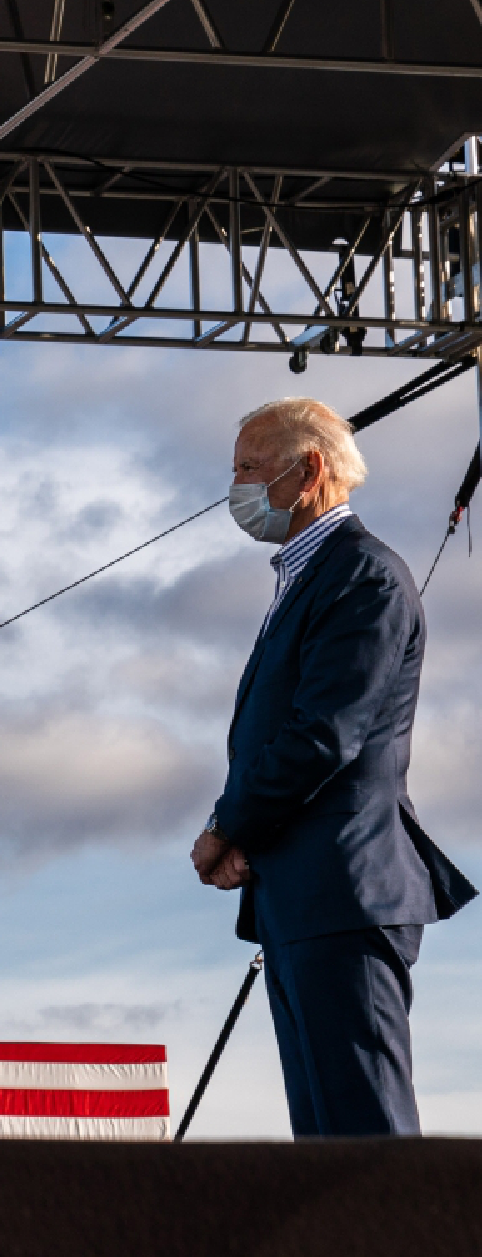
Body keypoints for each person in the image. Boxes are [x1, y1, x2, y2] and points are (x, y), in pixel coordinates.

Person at [192, 398, 474, 1137]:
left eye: (251, 468)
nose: (239, 489)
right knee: (324, 1151)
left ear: (308, 468)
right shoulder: (306, 578)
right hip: (298, 896)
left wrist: (226, 824)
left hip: (344, 893)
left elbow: (324, 734)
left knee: (368, 1144)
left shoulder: (364, 575)